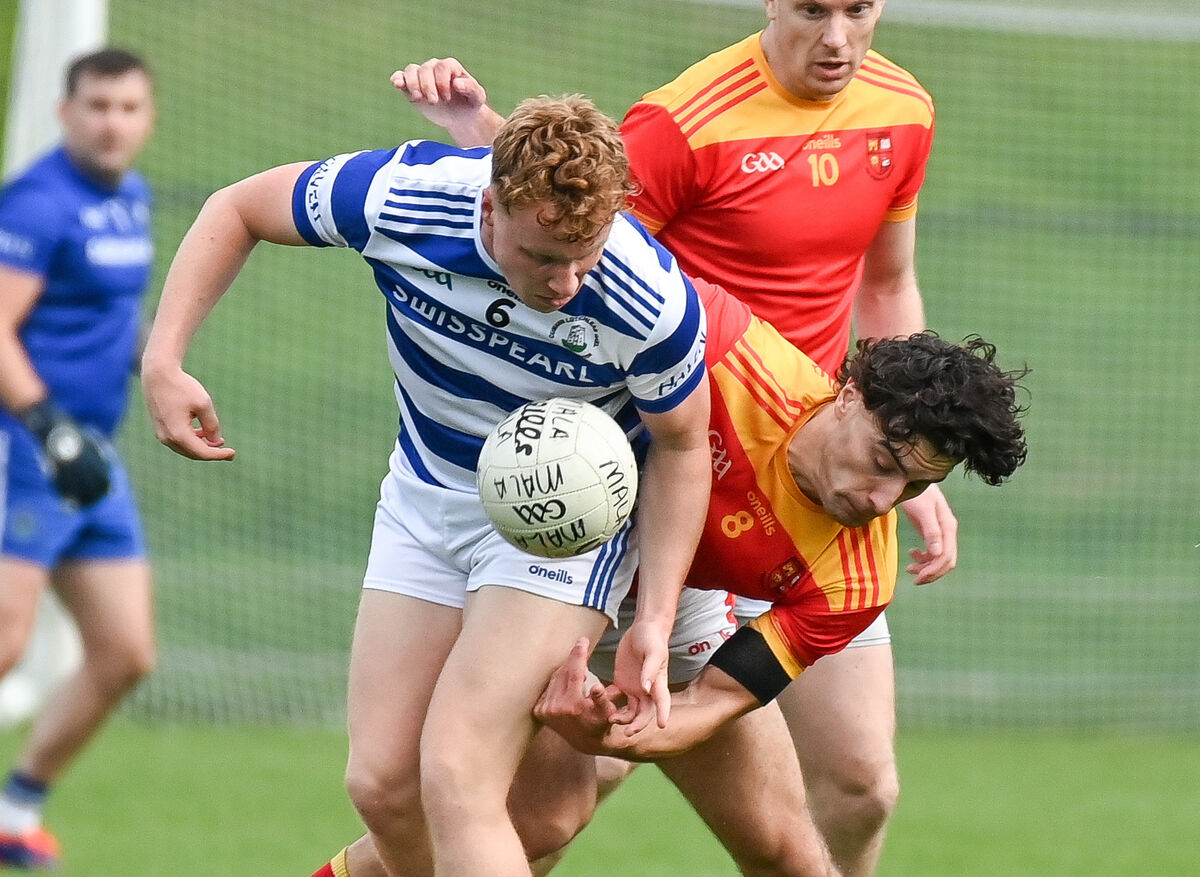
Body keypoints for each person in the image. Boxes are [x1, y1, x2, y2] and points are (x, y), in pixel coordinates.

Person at [396, 2, 946, 869]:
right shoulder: (685, 121)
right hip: (681, 478)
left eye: (859, 8)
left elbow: (889, 288)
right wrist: (483, 138)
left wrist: (906, 462)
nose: (837, 35)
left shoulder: (904, 109)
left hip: (823, 488)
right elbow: (576, 232)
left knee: (863, 782)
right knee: (531, 816)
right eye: (812, 8)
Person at [140, 95, 711, 877]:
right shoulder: (402, 196)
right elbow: (237, 207)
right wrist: (165, 359)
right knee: (382, 784)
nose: (569, 282)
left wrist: (652, 616)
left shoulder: (648, 297)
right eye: (544, 257)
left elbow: (683, 446)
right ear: (490, 202)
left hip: (562, 533)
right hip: (425, 494)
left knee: (458, 768)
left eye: (586, 254)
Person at [534, 286, 1028, 778]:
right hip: (547, 559)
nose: (884, 502)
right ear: (849, 398)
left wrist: (606, 735)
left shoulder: (859, 580)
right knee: (546, 814)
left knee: (787, 848)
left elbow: (711, 702)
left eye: (917, 486)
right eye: (882, 462)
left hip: (679, 607)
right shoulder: (727, 346)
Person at [0, 48, 157, 870]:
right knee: (5, 641)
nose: (112, 122)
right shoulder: (38, 201)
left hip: (92, 456)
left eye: (128, 107)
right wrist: (47, 426)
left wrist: (159, 368)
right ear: (67, 112)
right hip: (30, 447)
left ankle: (13, 810)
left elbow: (105, 322)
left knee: (125, 651)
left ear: (147, 117)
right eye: (97, 105)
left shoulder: (128, 196)